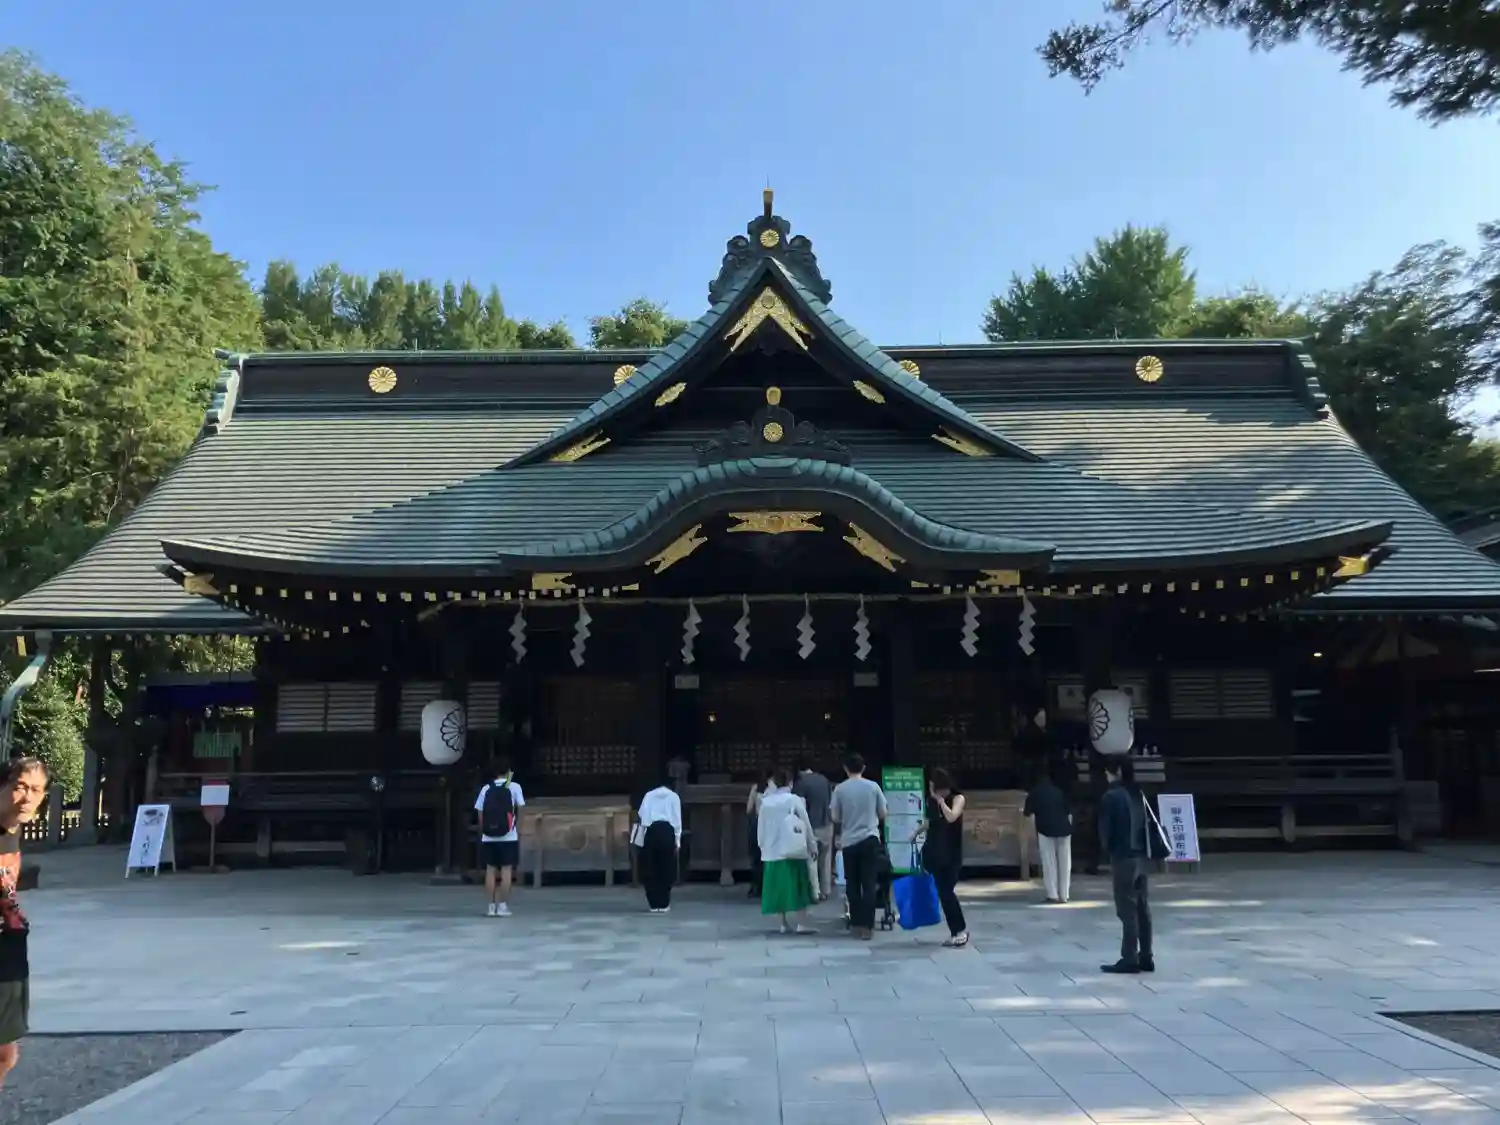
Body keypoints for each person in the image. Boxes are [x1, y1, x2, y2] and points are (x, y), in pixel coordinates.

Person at [0, 758, 49, 1088]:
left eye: (36, 790)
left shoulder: (13, 829)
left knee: (5, 1054)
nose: (27, 797)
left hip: (9, 944)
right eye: (20, 787)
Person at [1098, 756, 1154, 973]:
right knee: (1142, 907)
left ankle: (1129, 957)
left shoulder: (1111, 796)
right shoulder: (1138, 793)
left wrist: (1107, 851)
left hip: (1123, 857)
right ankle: (1146, 955)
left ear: (1117, 772)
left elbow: (1105, 831)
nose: (1106, 775)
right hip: (1141, 855)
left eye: (1108, 771)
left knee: (1127, 909)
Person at [831, 753, 886, 941]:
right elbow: (883, 812)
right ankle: (868, 926)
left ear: (845, 768)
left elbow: (835, 817)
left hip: (849, 841)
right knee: (869, 883)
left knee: (852, 883)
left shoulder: (839, 789)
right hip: (870, 838)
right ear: (863, 768)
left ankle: (856, 924)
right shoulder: (873, 787)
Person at [757, 769, 817, 934]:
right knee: (798, 886)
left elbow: (761, 827)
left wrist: (762, 846)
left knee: (777, 888)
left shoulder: (766, 802)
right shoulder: (794, 800)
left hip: (771, 850)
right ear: (790, 783)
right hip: (793, 847)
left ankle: (783, 923)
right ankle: (801, 922)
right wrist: (812, 845)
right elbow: (805, 823)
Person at [920, 768, 968, 948]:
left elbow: (951, 817)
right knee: (943, 892)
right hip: (935, 852)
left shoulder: (957, 798)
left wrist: (940, 801)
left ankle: (960, 931)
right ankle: (957, 931)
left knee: (947, 892)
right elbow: (930, 822)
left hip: (951, 852)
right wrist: (915, 833)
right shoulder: (931, 801)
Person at [474, 758, 525, 917]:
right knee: (506, 871)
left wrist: (485, 830)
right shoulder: (514, 787)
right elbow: (521, 810)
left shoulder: (485, 789)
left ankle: (491, 907)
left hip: (488, 837)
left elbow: (480, 813)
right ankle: (503, 906)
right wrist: (517, 829)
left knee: (490, 871)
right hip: (509, 836)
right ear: (508, 772)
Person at [1024, 756, 1074, 904]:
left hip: (1045, 829)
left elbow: (1028, 815)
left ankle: (1052, 894)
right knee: (1065, 863)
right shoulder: (1059, 791)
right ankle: (1064, 894)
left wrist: (1032, 834)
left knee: (1049, 862)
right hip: (1064, 828)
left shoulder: (1034, 793)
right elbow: (1069, 813)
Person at [636, 776, 682, 913]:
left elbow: (642, 816)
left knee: (651, 867)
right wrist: (677, 841)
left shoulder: (649, 795)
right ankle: (664, 903)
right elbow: (677, 821)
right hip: (667, 831)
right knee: (666, 867)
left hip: (652, 831)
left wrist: (641, 839)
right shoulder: (674, 797)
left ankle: (653, 903)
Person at [793, 761, 833, 902]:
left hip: (810, 825)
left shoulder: (801, 783)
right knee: (825, 859)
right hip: (827, 824)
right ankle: (825, 890)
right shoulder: (824, 780)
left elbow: (798, 807)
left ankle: (814, 892)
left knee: (811, 860)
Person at [745, 769, 769, 897]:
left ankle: (756, 885)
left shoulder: (756, 788)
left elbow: (749, 808)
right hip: (770, 824)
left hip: (758, 823)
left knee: (756, 857)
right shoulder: (773, 789)